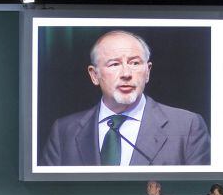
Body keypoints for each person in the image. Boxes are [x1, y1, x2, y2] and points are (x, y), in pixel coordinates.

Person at [41, 30, 210, 167]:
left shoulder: (187, 126)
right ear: (94, 75)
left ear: (148, 71)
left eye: (135, 63)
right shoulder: (64, 130)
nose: (126, 74)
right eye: (114, 64)